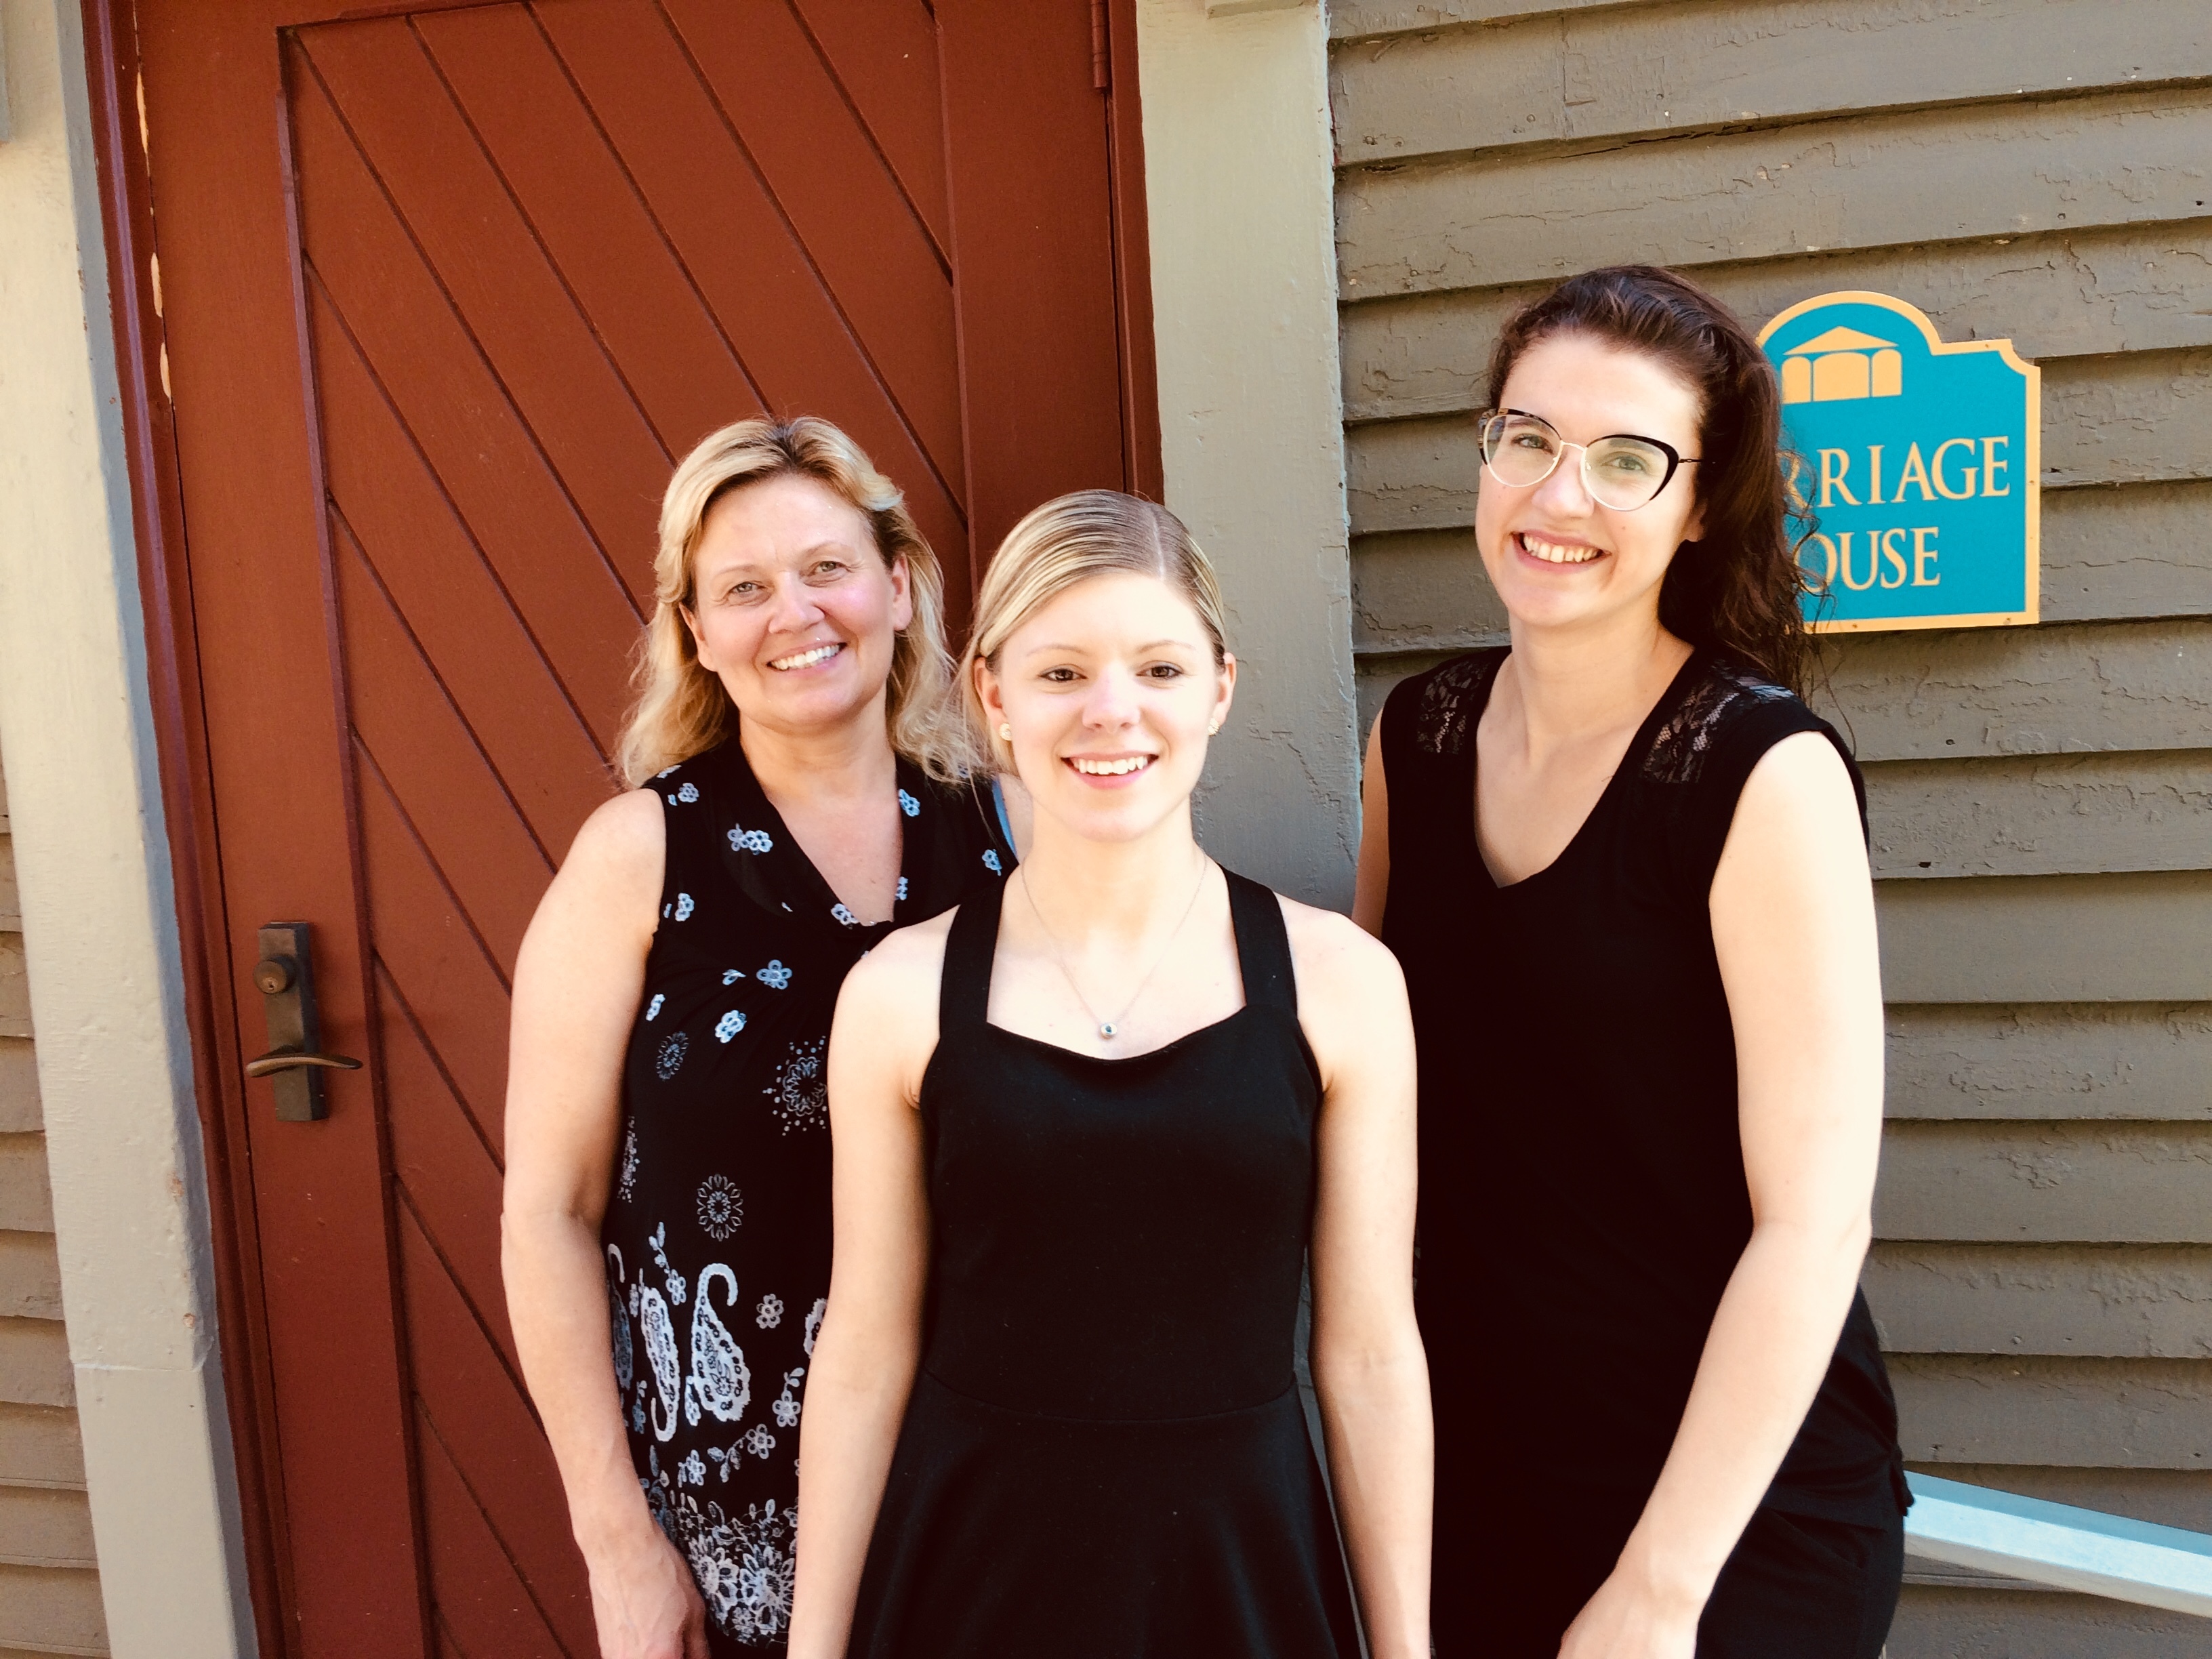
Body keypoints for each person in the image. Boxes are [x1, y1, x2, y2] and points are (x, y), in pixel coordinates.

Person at [1352, 266, 1908, 1658]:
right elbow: (1371, 1116)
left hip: (1727, 1525)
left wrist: (1661, 1593)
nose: (1558, 496)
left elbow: (1816, 1223)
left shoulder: (1759, 771)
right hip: (1474, 1489)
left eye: (1625, 460)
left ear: (1702, 505)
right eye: (1526, 439)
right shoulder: (1414, 740)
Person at [786, 491, 1431, 1659]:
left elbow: (1372, 1354)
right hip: (969, 1576)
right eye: (1062, 672)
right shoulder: (897, 995)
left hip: (1239, 1572)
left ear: (1220, 688)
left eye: (1160, 669)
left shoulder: (1344, 986)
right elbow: (865, 1350)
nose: (1113, 711)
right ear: (993, 696)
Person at [502, 417, 1017, 1658]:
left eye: (826, 568)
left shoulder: (1011, 831)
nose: (794, 613)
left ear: (898, 585)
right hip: (737, 1514)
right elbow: (549, 1216)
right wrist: (617, 1543)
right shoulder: (637, 858)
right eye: (743, 587)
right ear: (695, 633)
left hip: (989, 1473)